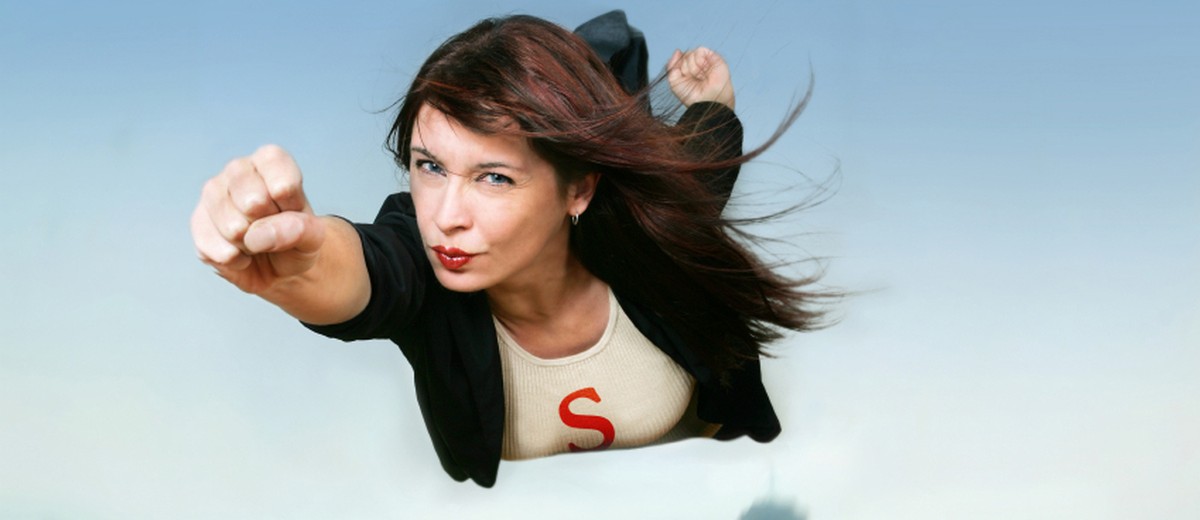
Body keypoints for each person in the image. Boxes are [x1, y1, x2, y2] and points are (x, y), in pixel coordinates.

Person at [190, 13, 827, 488]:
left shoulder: (646, 236)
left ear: (579, 190)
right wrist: (302, 268)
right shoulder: (428, 270)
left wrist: (713, 103)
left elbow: (700, 166)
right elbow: (373, 267)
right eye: (430, 166)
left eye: (494, 177)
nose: (445, 217)